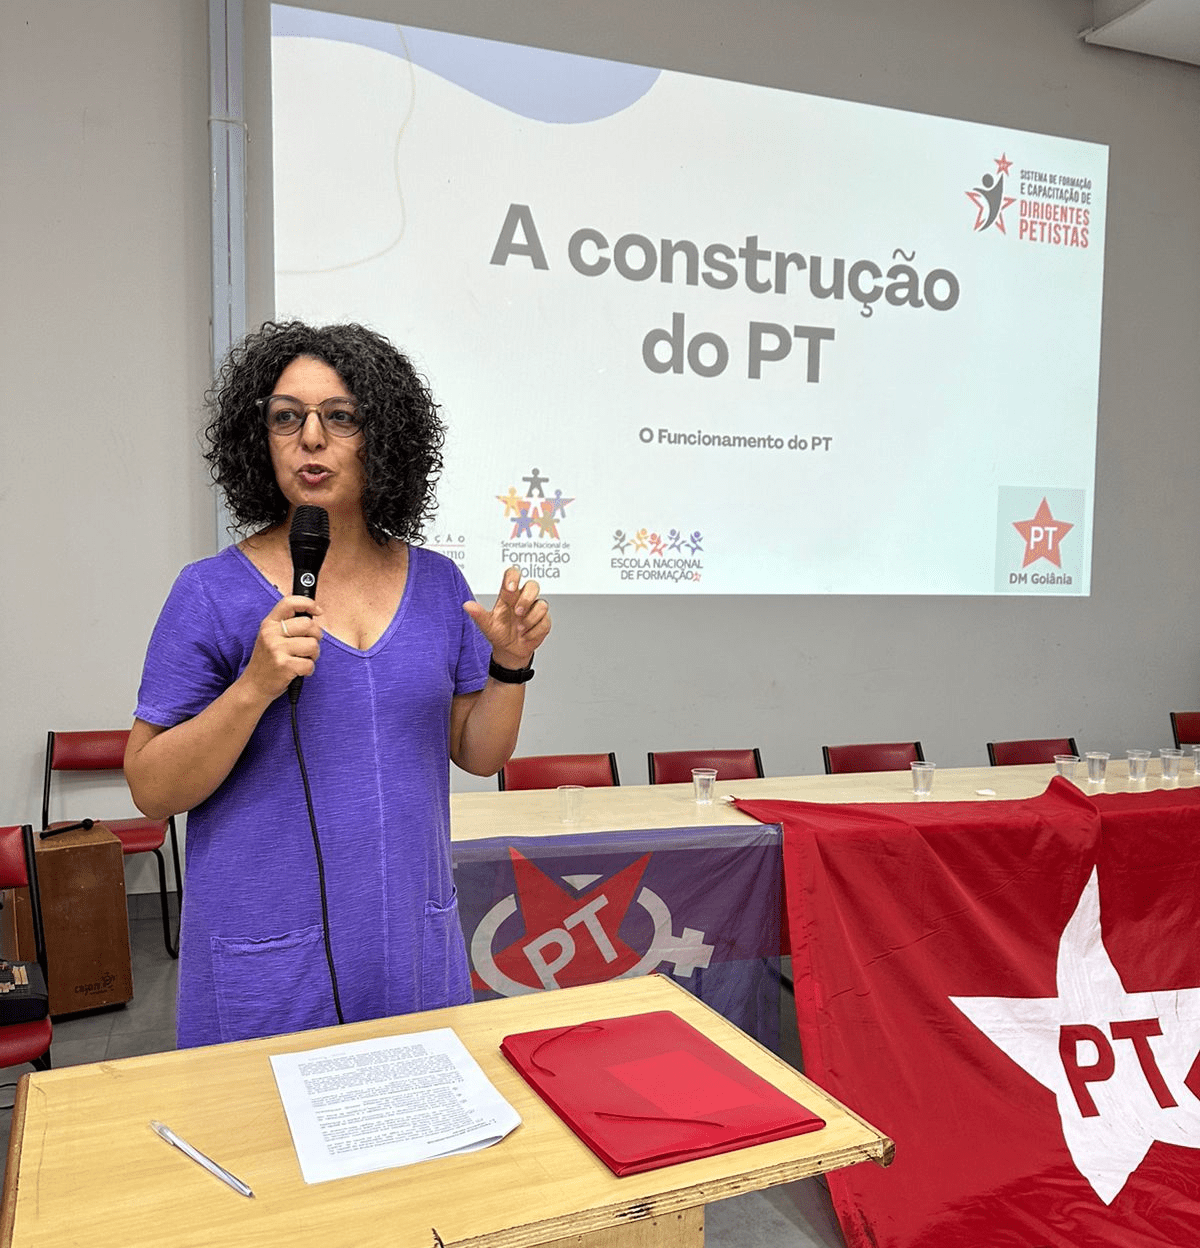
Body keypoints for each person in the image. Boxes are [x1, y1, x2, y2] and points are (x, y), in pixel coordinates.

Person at [124, 321, 550, 1048]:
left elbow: (478, 755)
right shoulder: (209, 592)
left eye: (340, 417)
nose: (310, 439)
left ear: (382, 438)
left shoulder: (440, 582)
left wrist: (510, 666)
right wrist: (253, 687)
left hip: (407, 941)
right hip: (268, 953)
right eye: (286, 417)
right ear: (258, 440)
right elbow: (151, 789)